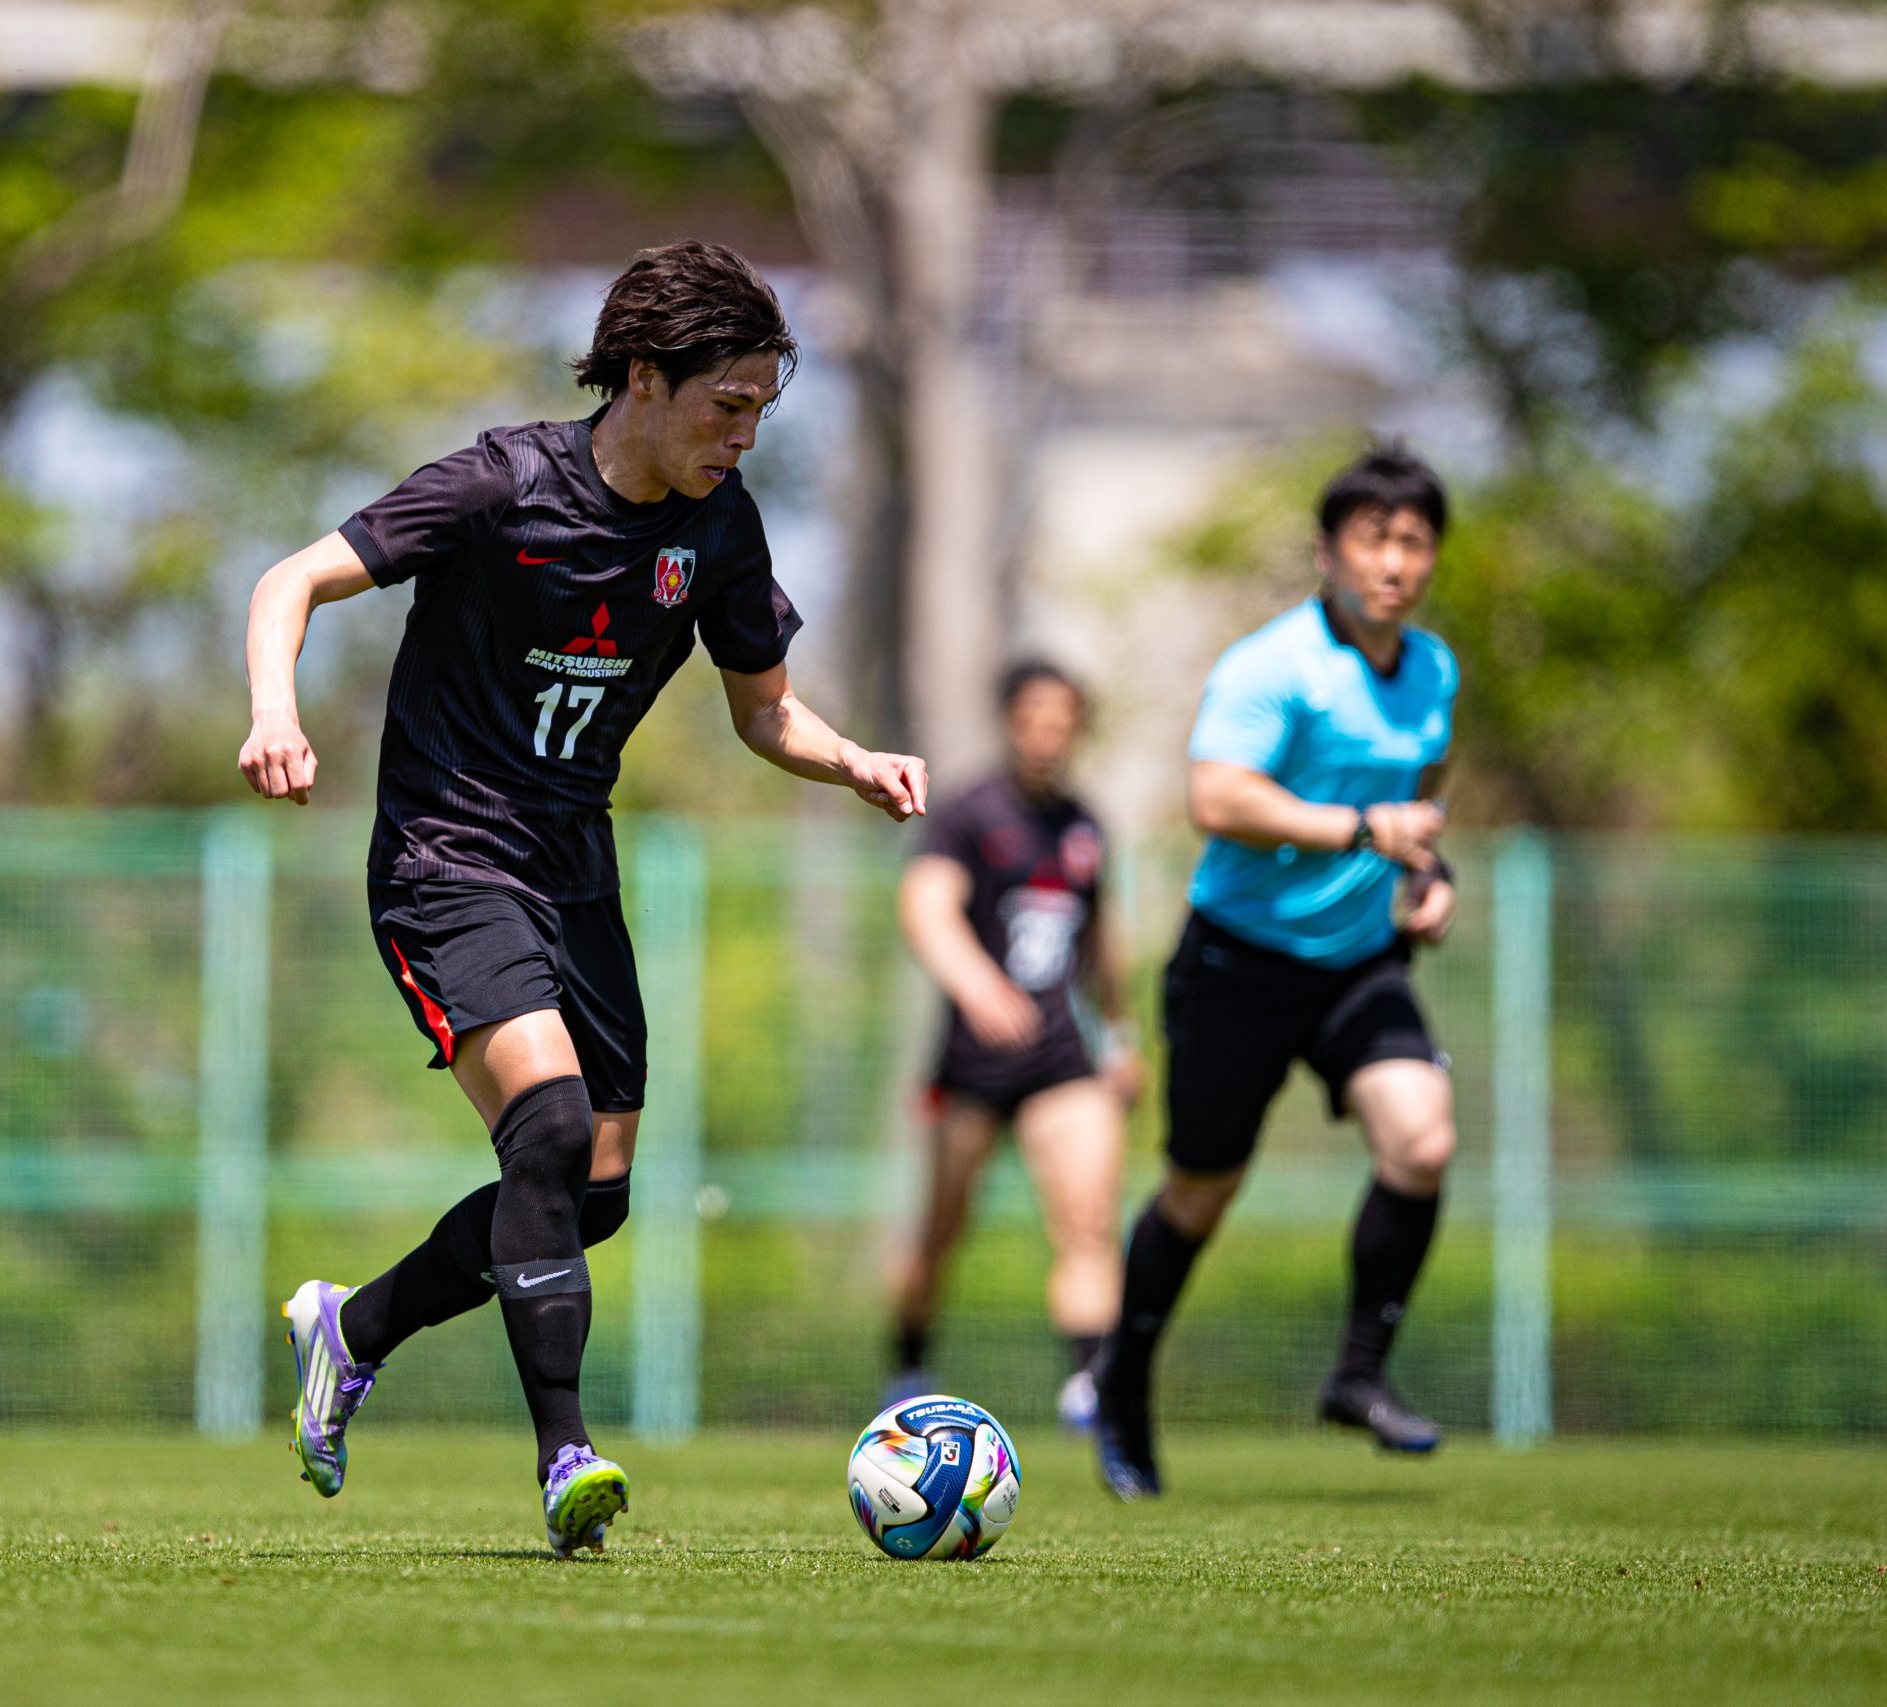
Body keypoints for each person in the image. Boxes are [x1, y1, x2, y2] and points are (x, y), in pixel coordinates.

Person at [238, 241, 928, 1556]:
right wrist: (274, 710)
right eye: (727, 405)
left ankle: (354, 1325)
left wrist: (852, 762)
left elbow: (765, 709)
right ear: (644, 376)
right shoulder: (500, 485)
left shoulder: (719, 529)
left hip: (575, 863)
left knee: (587, 1192)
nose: (744, 435)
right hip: (447, 855)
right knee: (547, 1128)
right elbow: (292, 580)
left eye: (763, 412)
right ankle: (567, 1454)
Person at [1093, 445, 1460, 1501]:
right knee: (1201, 1191)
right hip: (1235, 964)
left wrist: (1427, 875)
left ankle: (1356, 1378)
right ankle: (1122, 1382)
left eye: (1412, 542)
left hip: (1355, 965)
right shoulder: (1271, 665)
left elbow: (1419, 803)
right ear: (1327, 553)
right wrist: (1359, 829)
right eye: (1373, 540)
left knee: (1422, 1138)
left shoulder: (1434, 670)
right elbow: (1219, 798)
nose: (1393, 562)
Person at [888, 659, 1140, 1431]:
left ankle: (1090, 1385)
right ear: (1009, 721)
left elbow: (1102, 942)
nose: (1046, 735)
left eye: (1062, 721)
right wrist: (979, 986)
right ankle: (907, 1362)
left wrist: (1122, 1035)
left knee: (1090, 1218)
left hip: (1062, 1058)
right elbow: (926, 906)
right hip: (971, 1064)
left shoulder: (1085, 826)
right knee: (943, 1227)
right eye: (1033, 718)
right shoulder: (969, 812)